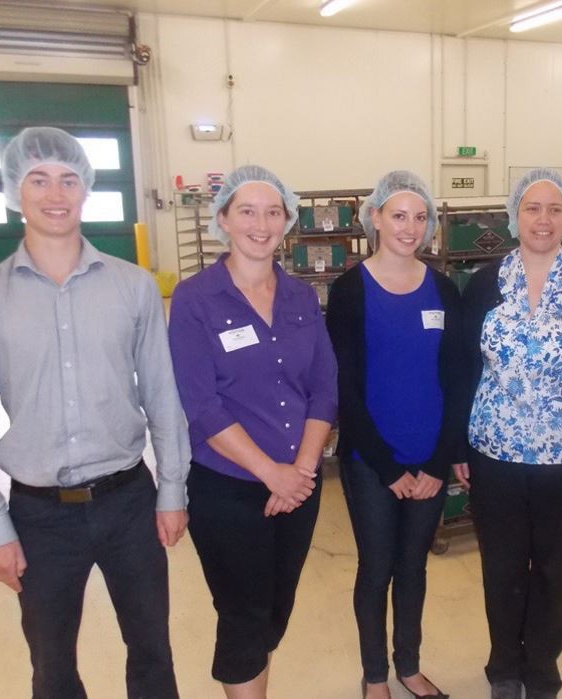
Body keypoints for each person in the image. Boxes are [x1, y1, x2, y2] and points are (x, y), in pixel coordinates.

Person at [0, 126, 189, 699]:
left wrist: (173, 488)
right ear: (16, 191)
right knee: (52, 667)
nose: (55, 193)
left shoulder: (132, 288)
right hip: (39, 515)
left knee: (153, 651)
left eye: (68, 179)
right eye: (38, 179)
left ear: (86, 190)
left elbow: (162, 394)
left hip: (129, 500)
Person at [167, 165, 337, 699]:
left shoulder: (301, 298)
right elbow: (201, 404)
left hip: (299, 486)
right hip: (228, 489)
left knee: (275, 611)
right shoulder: (195, 299)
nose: (260, 224)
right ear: (223, 219)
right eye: (247, 211)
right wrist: (272, 475)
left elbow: (324, 389)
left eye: (273, 212)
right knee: (243, 613)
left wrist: (301, 473)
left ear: (286, 222)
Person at [457, 168, 562, 699]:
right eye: (532, 208)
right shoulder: (484, 282)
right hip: (494, 454)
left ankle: (542, 669)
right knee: (502, 568)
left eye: (554, 209)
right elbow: (463, 366)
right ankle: (504, 666)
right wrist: (457, 446)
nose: (543, 219)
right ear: (514, 216)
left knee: (554, 571)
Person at [325, 171, 467, 699]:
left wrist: (436, 463)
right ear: (376, 219)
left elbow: (457, 380)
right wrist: (387, 467)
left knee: (413, 569)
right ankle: (375, 677)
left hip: (428, 459)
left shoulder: (444, 290)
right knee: (377, 568)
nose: (411, 227)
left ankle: (409, 665)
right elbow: (345, 386)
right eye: (399, 215)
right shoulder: (349, 291)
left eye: (420, 216)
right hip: (371, 463)